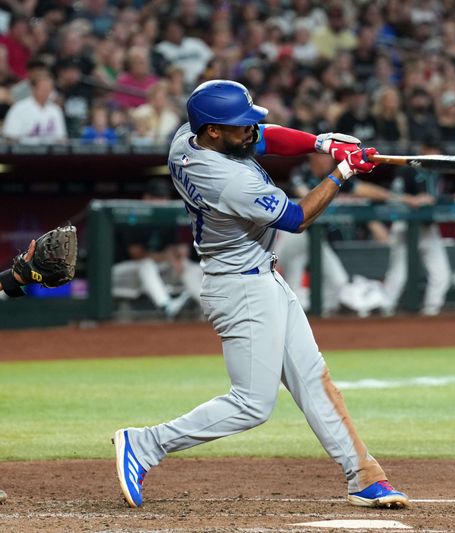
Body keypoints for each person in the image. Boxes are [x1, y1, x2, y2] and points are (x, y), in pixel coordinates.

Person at [113, 79, 409, 510]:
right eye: (239, 125)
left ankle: (363, 475)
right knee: (252, 404)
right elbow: (296, 217)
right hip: (239, 286)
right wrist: (343, 172)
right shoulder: (227, 180)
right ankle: (144, 445)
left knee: (312, 378)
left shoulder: (186, 137)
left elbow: (265, 137)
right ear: (214, 131)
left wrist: (322, 142)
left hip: (261, 277)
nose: (251, 130)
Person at [276, 152, 430, 316]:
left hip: (314, 237)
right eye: (323, 156)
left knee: (338, 282)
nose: (328, 160)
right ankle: (288, 321)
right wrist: (336, 199)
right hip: (290, 235)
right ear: (313, 158)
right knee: (290, 282)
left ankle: (319, 321)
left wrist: (404, 199)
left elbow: (364, 190)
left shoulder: (333, 175)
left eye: (329, 157)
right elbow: (305, 197)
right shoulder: (301, 172)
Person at [382, 136, 455, 317]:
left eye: (437, 150)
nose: (435, 154)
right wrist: (410, 200)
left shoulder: (437, 170)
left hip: (428, 228)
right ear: (423, 149)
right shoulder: (407, 169)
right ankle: (385, 310)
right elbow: (392, 196)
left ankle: (430, 313)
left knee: (441, 274)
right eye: (431, 149)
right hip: (405, 226)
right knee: (398, 274)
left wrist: (453, 198)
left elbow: (434, 198)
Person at [111, 178, 200, 318]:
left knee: (189, 266)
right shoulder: (132, 217)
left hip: (151, 274)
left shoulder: (167, 219)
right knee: (146, 264)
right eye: (156, 197)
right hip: (120, 274)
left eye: (163, 197)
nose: (161, 201)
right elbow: (137, 254)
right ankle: (166, 306)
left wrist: (178, 258)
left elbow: (172, 248)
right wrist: (168, 257)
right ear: (146, 198)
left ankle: (209, 308)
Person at [1, 70, 67, 145]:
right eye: (43, 88)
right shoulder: (19, 108)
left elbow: (61, 139)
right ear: (33, 89)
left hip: (50, 154)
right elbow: (10, 138)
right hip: (24, 153)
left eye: (49, 88)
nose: (46, 91)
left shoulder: (55, 110)